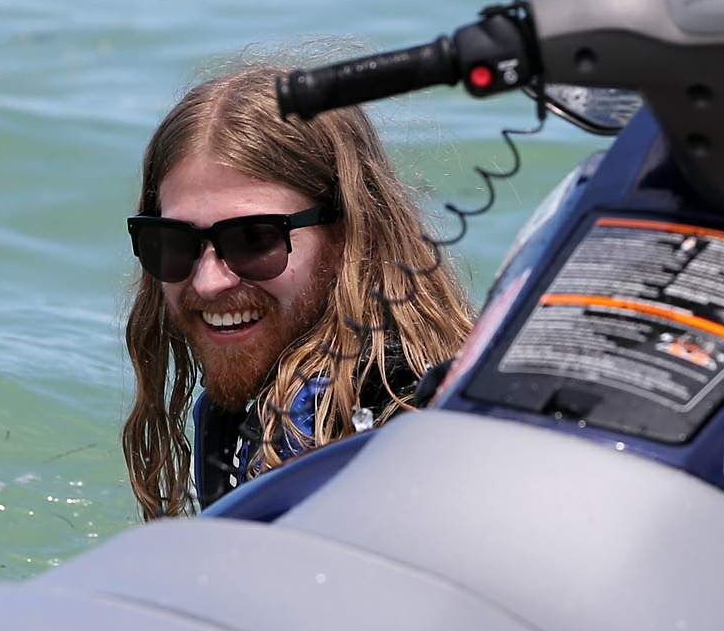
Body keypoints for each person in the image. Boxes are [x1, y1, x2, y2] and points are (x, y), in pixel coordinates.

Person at [122, 65, 475, 516]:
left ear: (349, 234)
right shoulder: (259, 413)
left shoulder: (405, 428)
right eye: (174, 243)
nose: (208, 281)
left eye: (254, 239)